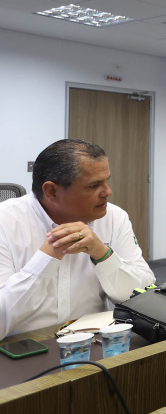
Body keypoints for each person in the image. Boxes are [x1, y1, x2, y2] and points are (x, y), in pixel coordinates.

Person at [0, 139, 155, 339]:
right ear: (52, 191)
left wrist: (103, 255)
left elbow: (144, 295)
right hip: (19, 348)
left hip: (94, 342)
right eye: (94, 185)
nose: (108, 192)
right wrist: (47, 259)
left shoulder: (114, 217)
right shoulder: (5, 222)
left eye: (106, 181)